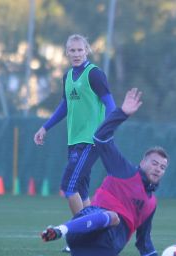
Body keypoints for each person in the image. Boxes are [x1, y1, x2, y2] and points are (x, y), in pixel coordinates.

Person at [33, 88, 169, 256]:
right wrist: (122, 114)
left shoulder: (151, 203)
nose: (158, 168)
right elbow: (100, 138)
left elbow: (143, 242)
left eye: (162, 167)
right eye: (154, 163)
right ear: (142, 162)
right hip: (84, 230)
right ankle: (60, 230)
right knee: (113, 216)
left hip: (99, 249)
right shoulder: (125, 170)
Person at [34, 34, 116, 218]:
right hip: (74, 140)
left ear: (87, 50)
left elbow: (111, 106)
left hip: (91, 141)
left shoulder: (94, 74)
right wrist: (45, 127)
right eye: (72, 50)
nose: (77, 53)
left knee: (69, 186)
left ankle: (80, 233)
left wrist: (105, 132)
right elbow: (65, 106)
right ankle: (93, 232)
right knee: (81, 190)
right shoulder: (68, 76)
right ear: (67, 52)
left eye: (80, 50)